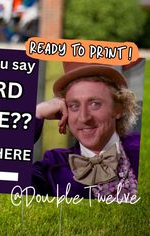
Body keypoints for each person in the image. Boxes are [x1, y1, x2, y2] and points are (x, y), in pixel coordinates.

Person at [32, 62, 140, 200]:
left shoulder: (141, 149)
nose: (84, 118)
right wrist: (37, 113)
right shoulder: (51, 165)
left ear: (118, 109)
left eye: (95, 104)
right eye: (74, 106)